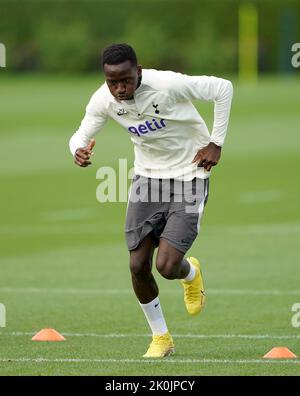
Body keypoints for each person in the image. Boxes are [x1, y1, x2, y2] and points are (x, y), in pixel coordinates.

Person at [69, 43, 233, 358]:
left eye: (125, 80)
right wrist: (77, 149)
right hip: (148, 179)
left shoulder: (168, 84)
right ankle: (161, 337)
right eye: (112, 82)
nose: (119, 88)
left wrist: (216, 142)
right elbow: (80, 133)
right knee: (137, 264)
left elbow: (223, 88)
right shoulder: (104, 100)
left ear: (138, 72)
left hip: (190, 175)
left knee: (167, 266)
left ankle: (190, 274)